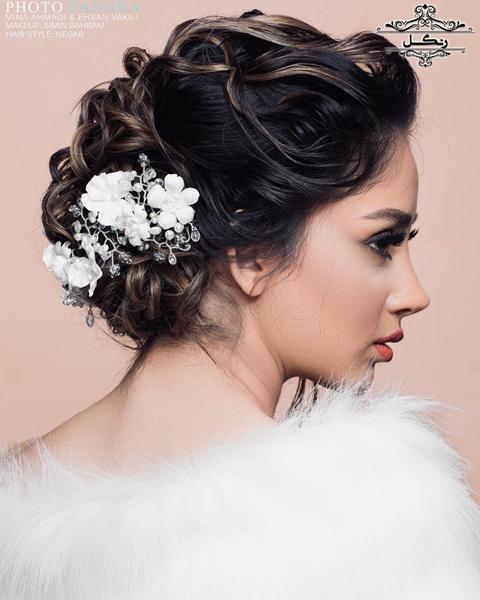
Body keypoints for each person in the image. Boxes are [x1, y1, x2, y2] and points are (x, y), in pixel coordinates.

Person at [1, 9, 480, 599]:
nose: (415, 296)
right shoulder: (372, 515)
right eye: (382, 242)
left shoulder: (16, 506)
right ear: (251, 256)